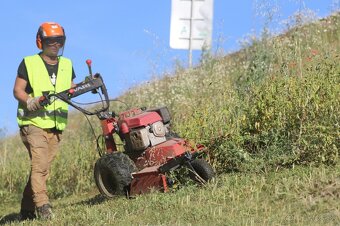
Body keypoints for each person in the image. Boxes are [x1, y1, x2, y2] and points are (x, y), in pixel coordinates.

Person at [13, 22, 76, 220]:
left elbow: (71, 86)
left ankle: (26, 210)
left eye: (59, 41)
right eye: (51, 41)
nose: (55, 45)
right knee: (40, 167)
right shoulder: (29, 63)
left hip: (56, 125)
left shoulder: (67, 64)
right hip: (33, 123)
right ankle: (43, 208)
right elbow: (17, 90)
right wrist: (30, 100)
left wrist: (78, 89)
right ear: (41, 42)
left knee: (42, 170)